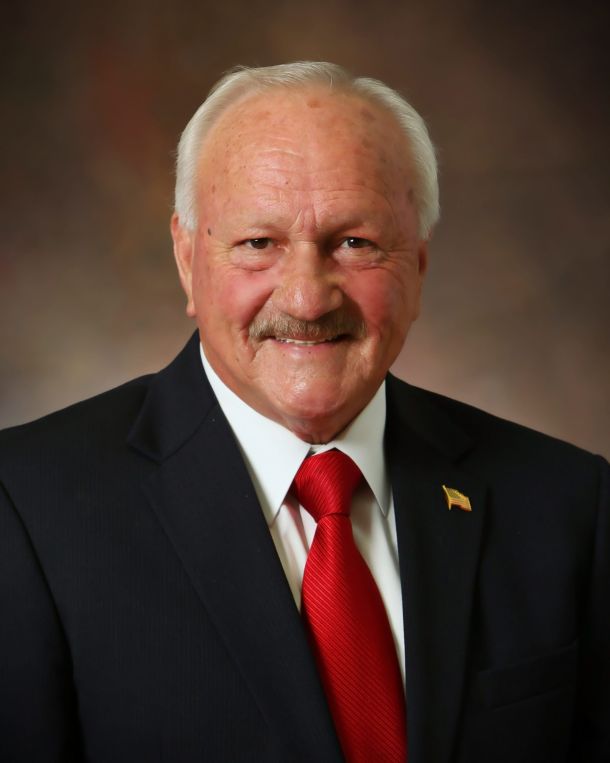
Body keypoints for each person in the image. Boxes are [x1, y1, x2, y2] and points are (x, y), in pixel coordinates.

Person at [0, 62, 608, 763]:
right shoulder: (27, 509)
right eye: (259, 243)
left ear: (418, 265)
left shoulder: (568, 504)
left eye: (355, 243)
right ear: (187, 259)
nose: (308, 298)